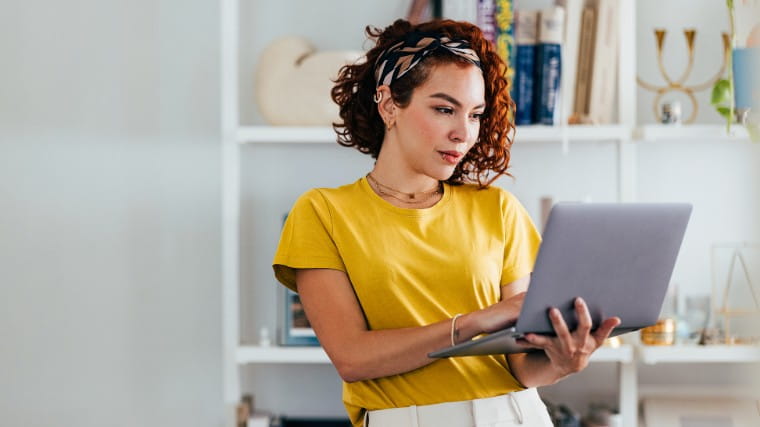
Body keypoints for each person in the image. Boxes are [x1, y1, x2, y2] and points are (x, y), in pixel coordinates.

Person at [272, 19, 621, 427]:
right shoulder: (322, 213)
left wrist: (563, 362)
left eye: (475, 114)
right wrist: (474, 322)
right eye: (444, 109)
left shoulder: (499, 210)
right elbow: (351, 357)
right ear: (388, 105)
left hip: (516, 415)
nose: (463, 133)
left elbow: (522, 367)